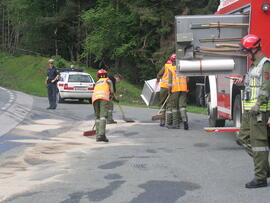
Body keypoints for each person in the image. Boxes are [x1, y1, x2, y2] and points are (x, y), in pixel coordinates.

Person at [236, 34, 270, 188]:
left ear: (255, 49)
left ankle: (260, 177)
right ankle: (264, 168)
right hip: (248, 110)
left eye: (247, 51)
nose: (246, 54)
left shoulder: (265, 64)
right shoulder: (254, 65)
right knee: (242, 138)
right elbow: (253, 86)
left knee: (259, 144)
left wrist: (258, 104)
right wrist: (242, 82)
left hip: (259, 111)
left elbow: (266, 87)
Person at [166, 54, 189, 130]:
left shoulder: (171, 69)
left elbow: (169, 83)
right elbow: (187, 79)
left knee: (174, 107)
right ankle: (185, 121)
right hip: (183, 89)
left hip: (175, 90)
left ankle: (176, 124)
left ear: (172, 61)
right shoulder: (184, 68)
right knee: (182, 107)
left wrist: (169, 91)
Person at [92, 69, 115, 142]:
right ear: (106, 75)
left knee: (97, 117)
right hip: (103, 99)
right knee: (103, 117)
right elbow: (112, 91)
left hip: (94, 99)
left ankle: (98, 136)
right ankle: (102, 135)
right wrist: (112, 96)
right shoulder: (108, 81)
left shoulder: (97, 82)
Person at [156, 59, 172, 127]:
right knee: (169, 105)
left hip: (163, 87)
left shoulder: (166, 66)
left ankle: (162, 121)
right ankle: (169, 121)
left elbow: (159, 75)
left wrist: (157, 80)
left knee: (162, 104)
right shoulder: (176, 67)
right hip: (172, 88)